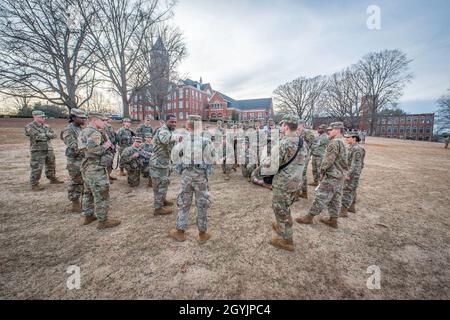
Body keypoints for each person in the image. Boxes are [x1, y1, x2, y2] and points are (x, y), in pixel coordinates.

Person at [169, 115, 215, 243]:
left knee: (184, 203)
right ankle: (202, 234)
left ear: (188, 126)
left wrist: (181, 170)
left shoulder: (183, 141)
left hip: (187, 176)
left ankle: (180, 232)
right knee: (202, 204)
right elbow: (211, 159)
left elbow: (175, 157)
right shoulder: (206, 141)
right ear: (199, 126)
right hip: (200, 177)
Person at [265, 114, 306, 251]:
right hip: (296, 181)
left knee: (281, 209)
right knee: (285, 207)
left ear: (286, 126)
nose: (281, 127)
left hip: (283, 183)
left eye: (282, 125)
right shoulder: (302, 142)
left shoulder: (283, 143)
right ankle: (282, 227)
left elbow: (271, 165)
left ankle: (287, 241)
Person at [296, 122, 348, 229]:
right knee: (336, 198)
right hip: (340, 175)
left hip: (332, 175)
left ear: (337, 130)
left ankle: (309, 217)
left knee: (321, 196)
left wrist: (322, 170)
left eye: (331, 129)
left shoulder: (334, 142)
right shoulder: (344, 141)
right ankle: (334, 220)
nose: (329, 131)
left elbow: (328, 160)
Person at [78, 112, 121, 229]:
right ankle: (103, 221)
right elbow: (93, 150)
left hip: (87, 167)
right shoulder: (94, 132)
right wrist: (106, 146)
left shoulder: (85, 131)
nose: (104, 122)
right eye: (102, 120)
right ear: (94, 120)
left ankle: (88, 216)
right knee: (102, 194)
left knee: (88, 192)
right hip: (95, 168)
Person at [25, 110, 64, 191]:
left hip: (49, 149)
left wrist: (46, 135)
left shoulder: (46, 126)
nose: (43, 118)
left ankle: (52, 179)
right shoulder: (29, 126)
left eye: (44, 117)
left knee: (51, 165)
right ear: (34, 117)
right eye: (41, 117)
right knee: (37, 167)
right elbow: (37, 137)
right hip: (37, 150)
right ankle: (34, 184)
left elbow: (54, 135)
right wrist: (47, 135)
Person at [149, 114, 178, 215]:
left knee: (164, 183)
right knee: (159, 185)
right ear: (166, 122)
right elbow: (165, 140)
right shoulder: (163, 130)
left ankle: (162, 200)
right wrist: (178, 137)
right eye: (171, 122)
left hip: (165, 162)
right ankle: (158, 208)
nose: (174, 124)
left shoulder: (170, 131)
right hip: (158, 163)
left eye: (175, 122)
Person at [61, 108, 87, 212]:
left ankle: (83, 200)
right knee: (76, 181)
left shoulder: (80, 128)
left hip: (82, 158)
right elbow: (73, 146)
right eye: (81, 118)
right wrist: (88, 150)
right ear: (73, 118)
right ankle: (75, 203)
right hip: (74, 160)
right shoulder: (69, 129)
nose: (84, 119)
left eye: (84, 117)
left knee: (83, 180)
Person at [340, 131, 366, 217]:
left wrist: (348, 174)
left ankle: (343, 211)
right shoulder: (351, 147)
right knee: (352, 190)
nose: (346, 139)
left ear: (354, 138)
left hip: (352, 174)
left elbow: (356, 165)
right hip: (350, 172)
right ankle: (351, 207)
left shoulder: (357, 149)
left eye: (348, 137)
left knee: (347, 190)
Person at [296, 120, 317, 199]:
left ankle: (300, 193)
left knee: (301, 173)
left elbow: (314, 143)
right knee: (299, 173)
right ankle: (302, 192)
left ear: (302, 125)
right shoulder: (297, 133)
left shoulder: (307, 132)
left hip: (304, 156)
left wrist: (309, 153)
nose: (297, 126)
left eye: (298, 124)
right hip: (298, 155)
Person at [104, 115, 118, 182]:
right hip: (107, 148)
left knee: (110, 162)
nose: (109, 119)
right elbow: (105, 138)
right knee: (106, 163)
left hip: (112, 147)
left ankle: (109, 175)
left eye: (109, 118)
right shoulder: (103, 127)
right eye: (108, 118)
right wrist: (110, 145)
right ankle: (106, 178)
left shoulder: (110, 126)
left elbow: (114, 135)